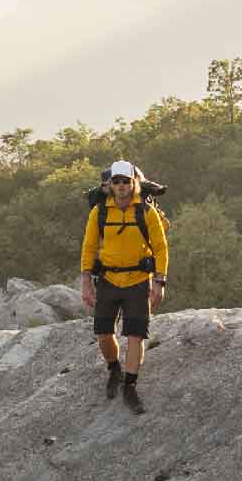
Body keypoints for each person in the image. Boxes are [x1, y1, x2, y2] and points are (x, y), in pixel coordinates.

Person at [77, 158, 170, 412]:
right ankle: (114, 369)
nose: (121, 186)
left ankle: (129, 385)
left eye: (125, 181)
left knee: (135, 335)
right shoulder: (100, 212)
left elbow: (161, 248)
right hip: (107, 279)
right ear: (109, 185)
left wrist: (159, 282)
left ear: (134, 183)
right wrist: (86, 282)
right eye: (116, 182)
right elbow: (88, 247)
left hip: (139, 281)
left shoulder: (146, 211)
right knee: (103, 333)